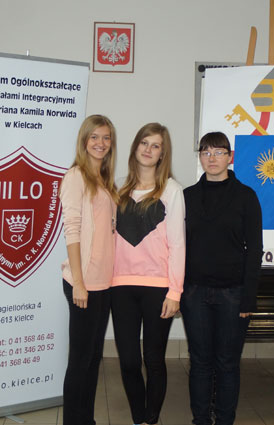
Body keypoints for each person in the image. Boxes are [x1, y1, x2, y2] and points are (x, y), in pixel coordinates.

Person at [181, 131, 263, 425]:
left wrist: (248, 297)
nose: (212, 158)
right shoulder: (187, 197)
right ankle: (201, 420)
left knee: (227, 364)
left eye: (218, 152)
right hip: (194, 293)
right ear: (200, 157)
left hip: (233, 294)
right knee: (200, 363)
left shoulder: (246, 196)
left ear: (230, 157)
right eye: (206, 152)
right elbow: (176, 246)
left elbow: (255, 250)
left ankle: (225, 420)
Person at [111, 122, 185, 425]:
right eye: (144, 143)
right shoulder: (118, 188)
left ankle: (150, 420)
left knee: (153, 359)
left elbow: (178, 244)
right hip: (120, 286)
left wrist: (175, 292)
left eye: (155, 146)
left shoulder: (172, 190)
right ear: (135, 147)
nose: (148, 149)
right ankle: (137, 416)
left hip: (158, 287)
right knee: (128, 361)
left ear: (162, 154)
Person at [59, 114, 119, 425]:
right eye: (94, 137)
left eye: (106, 137)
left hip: (104, 283)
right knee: (80, 361)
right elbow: (72, 230)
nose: (100, 143)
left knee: (93, 359)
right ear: (84, 141)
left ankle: (87, 420)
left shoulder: (105, 180)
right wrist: (79, 283)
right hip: (84, 283)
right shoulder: (76, 176)